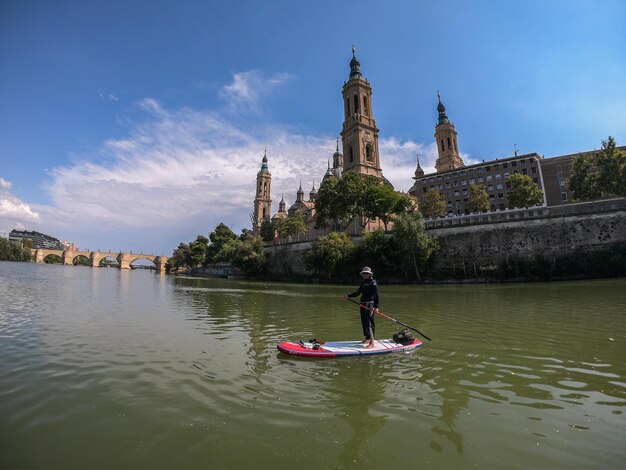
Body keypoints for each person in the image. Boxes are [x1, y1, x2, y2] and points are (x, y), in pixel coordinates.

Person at [344, 266, 379, 348]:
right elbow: (358, 292)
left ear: (370, 274)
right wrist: (348, 296)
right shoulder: (364, 282)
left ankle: (372, 342)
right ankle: (367, 338)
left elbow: (377, 296)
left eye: (366, 273)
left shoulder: (373, 283)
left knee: (369, 323)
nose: (365, 274)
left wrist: (376, 307)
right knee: (364, 322)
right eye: (364, 273)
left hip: (369, 305)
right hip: (363, 304)